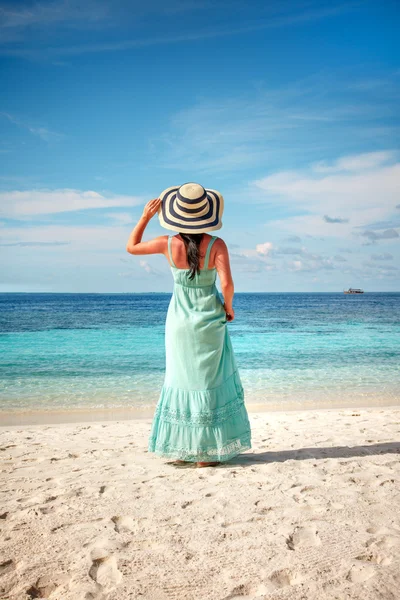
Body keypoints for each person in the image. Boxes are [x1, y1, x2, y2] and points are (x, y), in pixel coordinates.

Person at [126, 182, 251, 468]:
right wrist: (228, 308)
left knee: (180, 379)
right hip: (209, 318)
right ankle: (206, 455)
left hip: (179, 321)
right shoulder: (217, 244)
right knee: (209, 381)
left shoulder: (167, 243)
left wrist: (145, 217)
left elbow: (131, 247)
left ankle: (183, 449)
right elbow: (228, 284)